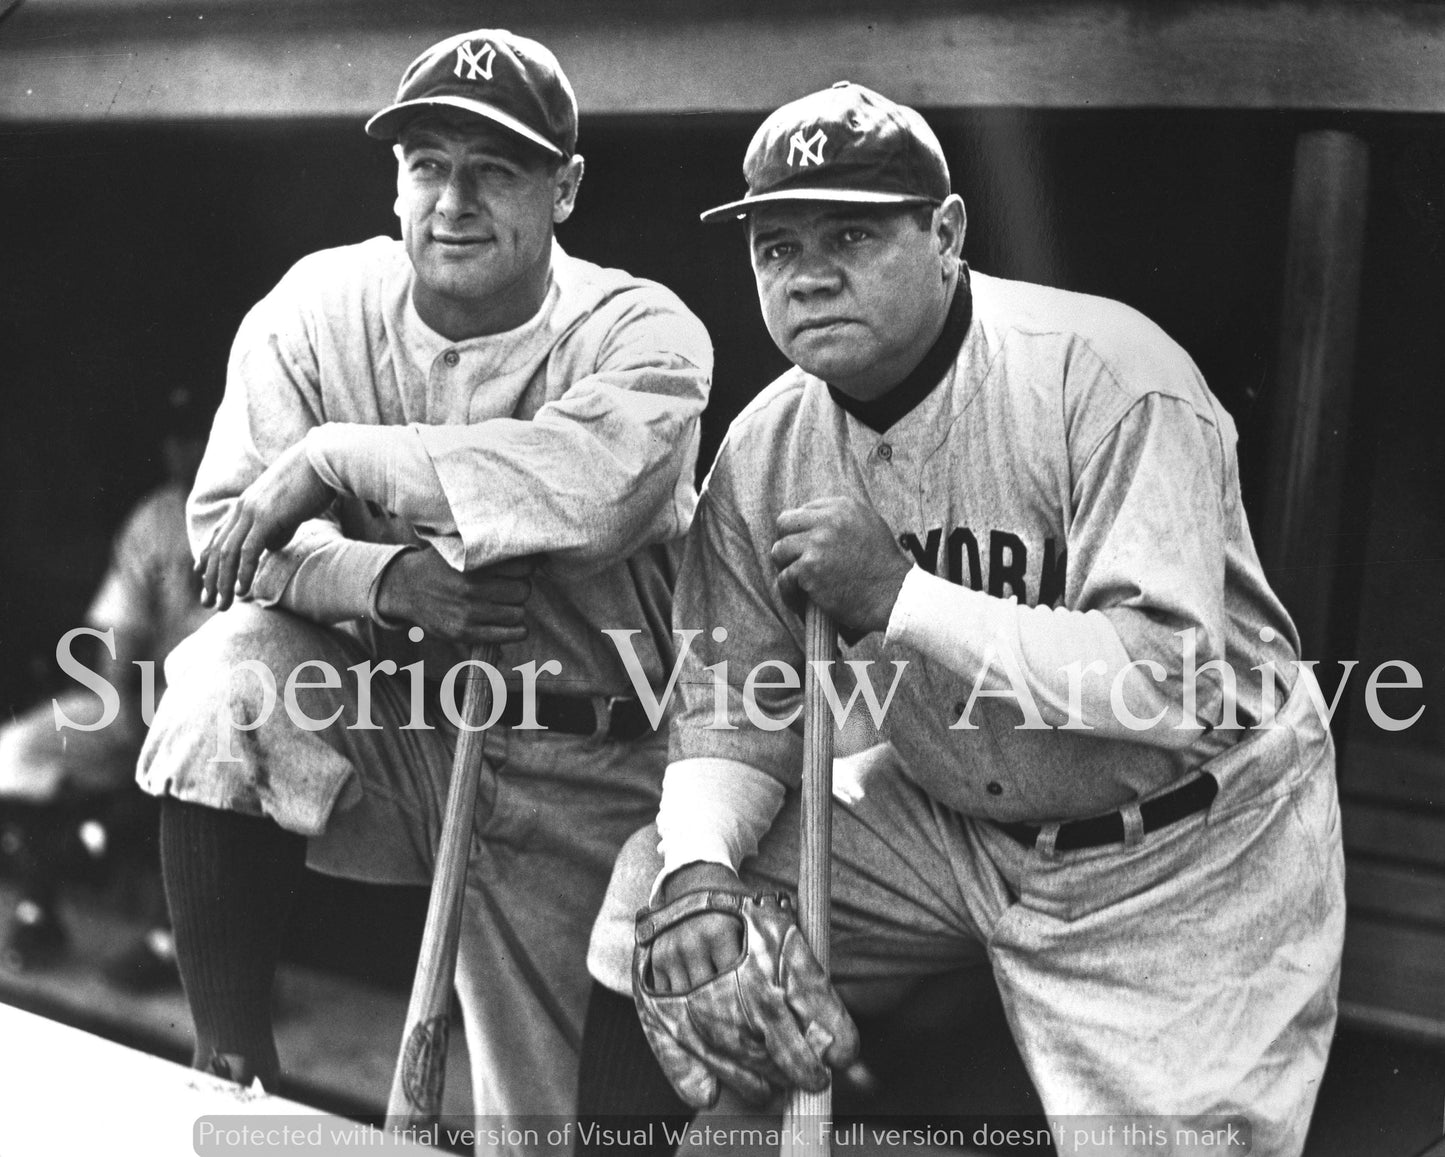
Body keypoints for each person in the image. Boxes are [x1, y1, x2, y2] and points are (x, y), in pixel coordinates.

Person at [582, 82, 1344, 1156]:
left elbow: (1166, 681)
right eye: (775, 245)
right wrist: (701, 863)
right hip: (949, 829)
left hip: (1187, 849)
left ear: (945, 233)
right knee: (658, 903)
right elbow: (731, 703)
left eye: (849, 232)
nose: (806, 273)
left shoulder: (1109, 378)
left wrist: (901, 596)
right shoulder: (763, 451)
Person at [133, 27, 711, 1141]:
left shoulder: (638, 328)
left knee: (536, 1132)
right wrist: (383, 579)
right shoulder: (316, 308)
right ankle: (229, 1075)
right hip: (415, 735)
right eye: (427, 164)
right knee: (226, 675)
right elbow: (221, 536)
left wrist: (335, 458)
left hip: (602, 763)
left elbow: (593, 495)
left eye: (494, 169)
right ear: (395, 180)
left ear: (565, 188)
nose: (452, 201)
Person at [0, 388, 213, 985]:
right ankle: (38, 907)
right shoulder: (156, 518)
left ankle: (172, 941)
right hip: (145, 700)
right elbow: (115, 641)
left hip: (226, 713)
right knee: (18, 752)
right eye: (175, 438)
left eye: (198, 434)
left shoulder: (269, 513)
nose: (185, 452)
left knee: (201, 765)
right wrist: (129, 709)